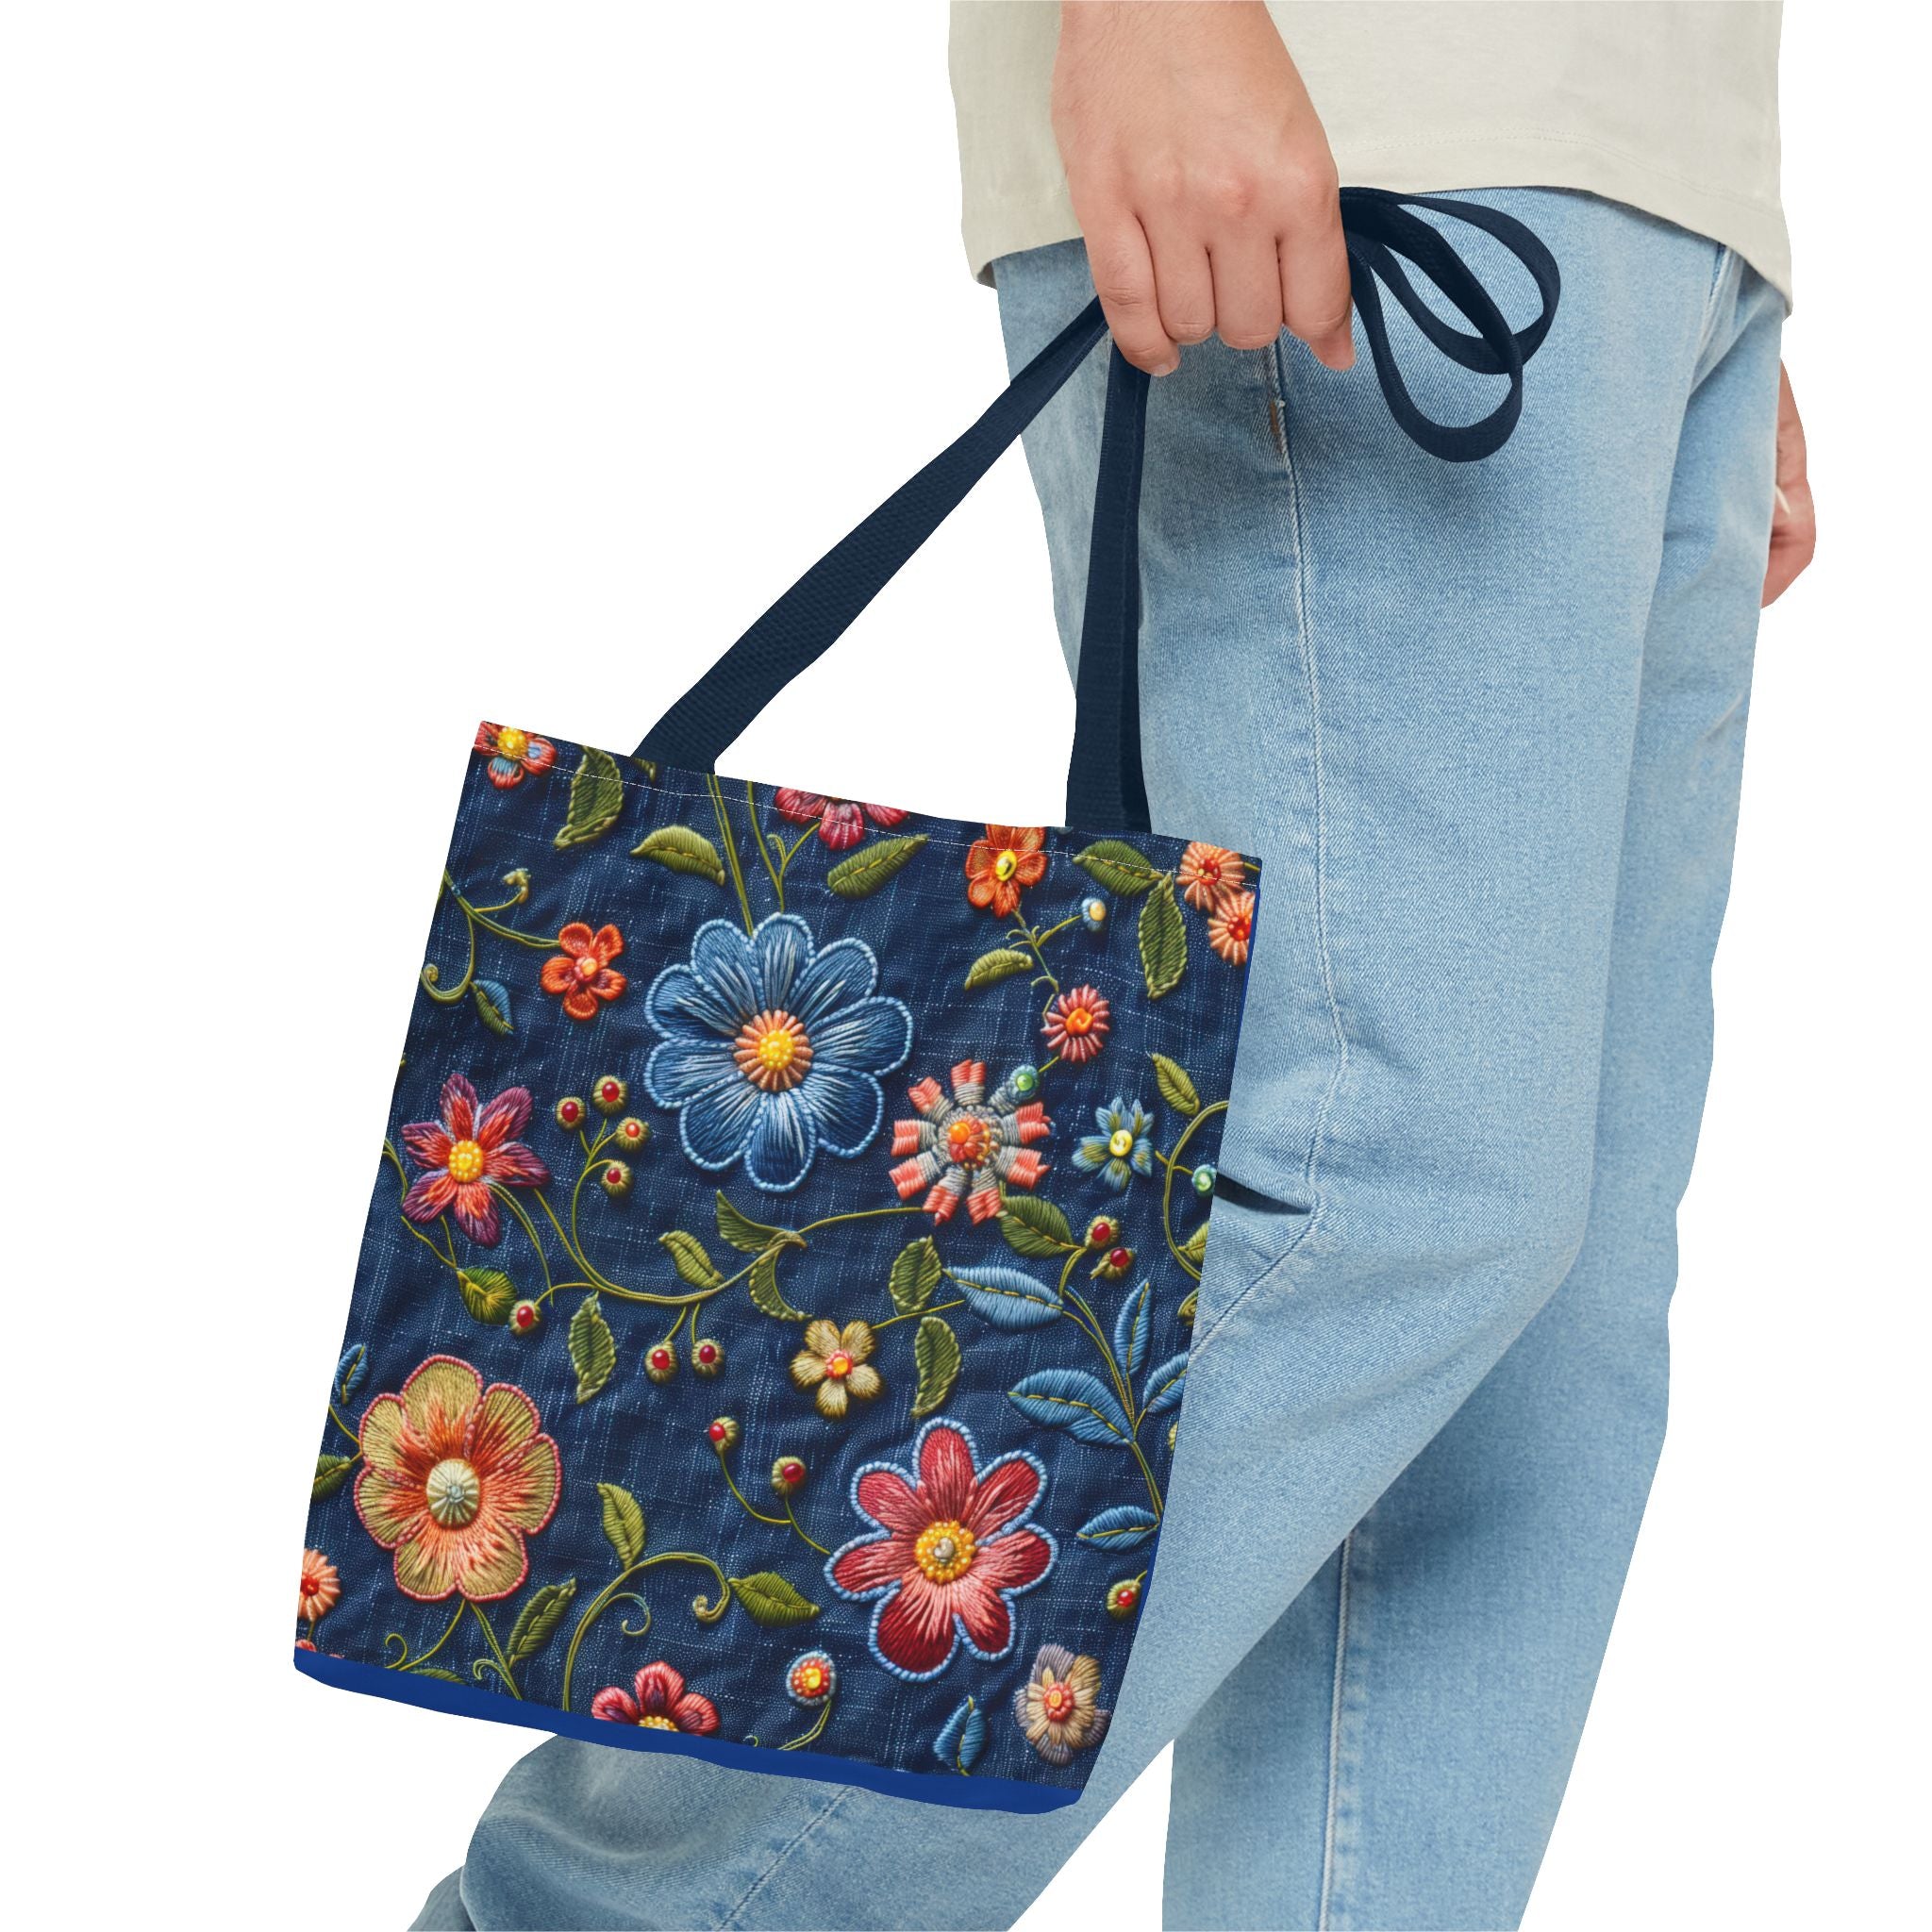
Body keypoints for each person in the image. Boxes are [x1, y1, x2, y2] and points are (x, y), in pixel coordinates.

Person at [415, 5, 1813, 1926]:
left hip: (1631, 180)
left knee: (1529, 1351)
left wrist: (1693, 234)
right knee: (1382, 1176)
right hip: (1362, 101)